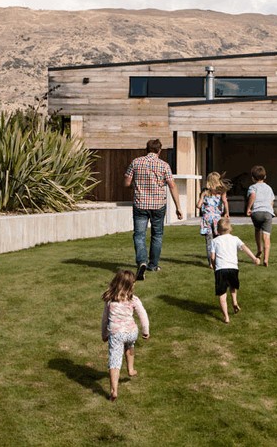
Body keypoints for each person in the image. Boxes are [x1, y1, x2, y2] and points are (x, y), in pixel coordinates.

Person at [124, 139, 183, 281]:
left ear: (147, 149)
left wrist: (135, 186)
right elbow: (172, 186)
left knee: (139, 235)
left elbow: (126, 182)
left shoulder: (136, 162)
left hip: (140, 204)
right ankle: (153, 265)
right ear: (159, 150)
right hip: (158, 205)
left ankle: (141, 261)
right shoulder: (164, 165)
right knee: (157, 235)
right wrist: (178, 207)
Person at [101, 269, 150, 401]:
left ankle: (114, 390)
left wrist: (104, 334)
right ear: (128, 286)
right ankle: (131, 369)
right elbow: (143, 315)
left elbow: (105, 320)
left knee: (114, 360)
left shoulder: (110, 300)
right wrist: (146, 331)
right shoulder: (134, 299)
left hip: (116, 334)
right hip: (131, 332)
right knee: (129, 346)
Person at [209, 217, 260, 323]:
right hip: (233, 268)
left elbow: (212, 257)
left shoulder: (214, 241)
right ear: (230, 229)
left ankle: (226, 317)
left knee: (222, 294)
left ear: (217, 230)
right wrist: (254, 258)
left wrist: (213, 266)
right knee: (233, 287)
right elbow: (244, 248)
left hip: (221, 269)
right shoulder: (235, 238)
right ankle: (235, 302)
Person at [196, 171, 231, 268]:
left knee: (209, 241)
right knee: (218, 239)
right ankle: (219, 260)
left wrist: (202, 198)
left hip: (207, 219)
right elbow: (224, 201)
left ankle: (211, 263)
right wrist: (227, 212)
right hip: (216, 218)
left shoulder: (205, 192)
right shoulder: (221, 192)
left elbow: (198, 206)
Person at [245, 164, 275, 267]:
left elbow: (253, 196)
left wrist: (249, 208)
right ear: (265, 177)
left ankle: (259, 250)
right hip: (267, 213)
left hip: (257, 212)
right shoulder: (269, 188)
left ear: (253, 178)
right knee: (266, 237)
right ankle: (266, 259)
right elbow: (272, 201)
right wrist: (270, 210)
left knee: (257, 230)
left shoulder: (252, 187)